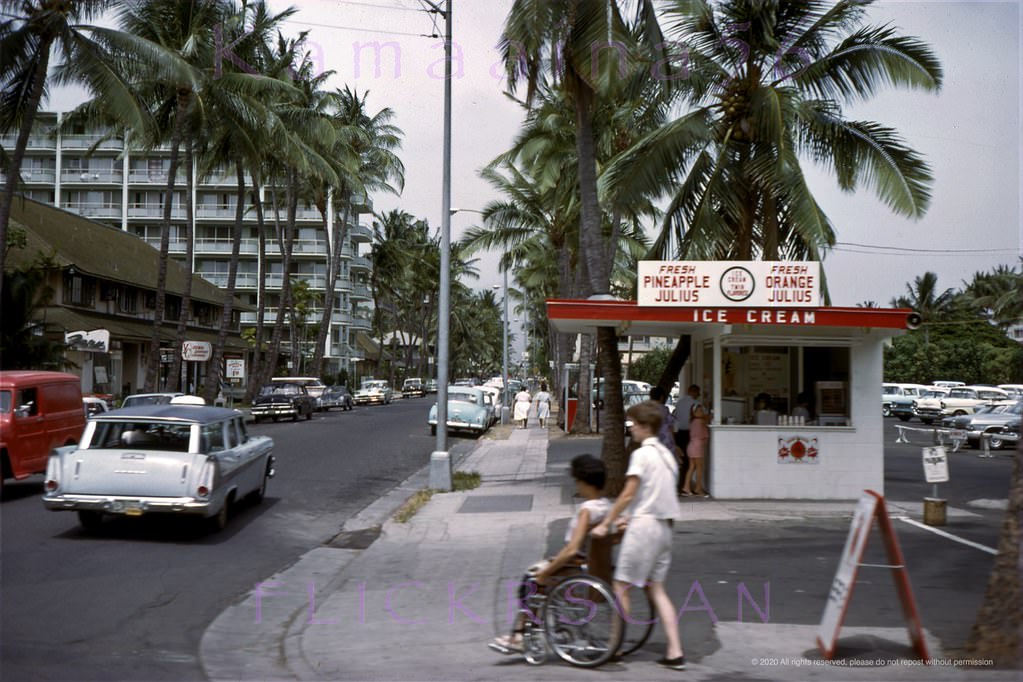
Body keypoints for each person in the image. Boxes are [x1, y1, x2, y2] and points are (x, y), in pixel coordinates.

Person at [592, 400, 687, 671]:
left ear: (646, 426)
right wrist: (629, 515)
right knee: (656, 589)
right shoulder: (667, 456)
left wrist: (608, 521)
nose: (630, 428)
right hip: (665, 528)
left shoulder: (641, 455)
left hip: (645, 528)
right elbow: (653, 494)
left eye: (633, 424)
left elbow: (629, 492)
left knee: (621, 587)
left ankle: (616, 646)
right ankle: (675, 651)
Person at [488, 454, 612, 655]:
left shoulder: (587, 510)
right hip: (592, 564)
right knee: (537, 575)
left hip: (573, 565)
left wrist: (547, 572)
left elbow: (572, 549)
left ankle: (520, 634)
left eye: (578, 481)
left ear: (585, 482)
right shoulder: (606, 507)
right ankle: (528, 630)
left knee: (531, 580)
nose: (577, 486)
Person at [672, 384, 700, 494]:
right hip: (689, 434)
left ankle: (681, 485)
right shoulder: (696, 404)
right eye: (698, 392)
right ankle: (685, 486)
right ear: (693, 392)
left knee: (682, 460)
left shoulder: (679, 403)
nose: (699, 395)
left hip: (679, 434)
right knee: (689, 462)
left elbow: (676, 417)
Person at [681, 402, 709, 497]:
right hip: (698, 446)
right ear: (694, 412)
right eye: (699, 410)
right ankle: (698, 488)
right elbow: (703, 435)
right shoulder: (700, 422)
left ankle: (686, 487)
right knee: (699, 468)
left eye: (701, 410)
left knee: (692, 467)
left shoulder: (692, 421)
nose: (701, 412)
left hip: (691, 446)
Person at [649, 386, 676, 453]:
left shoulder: (647, 409)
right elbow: (671, 427)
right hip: (666, 441)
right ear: (661, 397)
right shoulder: (665, 410)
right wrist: (674, 443)